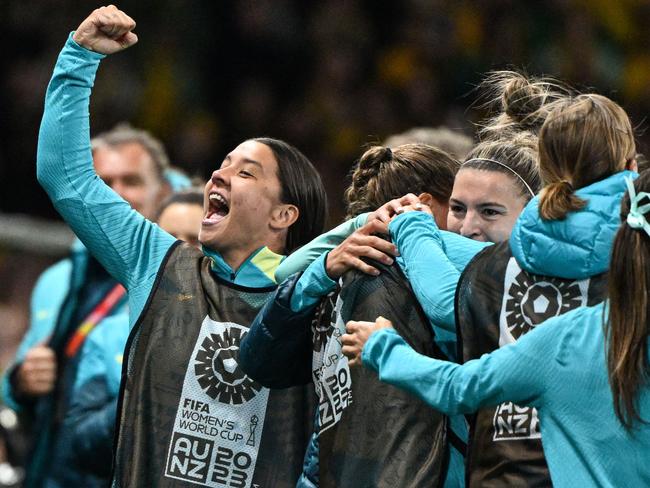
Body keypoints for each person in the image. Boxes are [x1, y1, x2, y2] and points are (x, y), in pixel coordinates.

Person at [37, 6, 327, 487]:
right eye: (223, 163)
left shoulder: (320, 301)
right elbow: (64, 176)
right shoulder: (156, 259)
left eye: (245, 172)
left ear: (283, 215)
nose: (219, 173)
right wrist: (80, 57)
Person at [347, 91, 638, 487]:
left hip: (506, 468)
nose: (468, 226)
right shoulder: (636, 255)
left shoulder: (514, 270)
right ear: (631, 165)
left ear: (545, 178)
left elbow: (447, 317)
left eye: (489, 211)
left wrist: (406, 225)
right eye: (459, 209)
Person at [241, 143, 469, 488]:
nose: (466, 225)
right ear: (422, 204)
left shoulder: (329, 279)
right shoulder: (424, 275)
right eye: (458, 208)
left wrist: (350, 235)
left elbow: (281, 276)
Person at [1, 120, 184, 487]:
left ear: (163, 192)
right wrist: (21, 383)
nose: (114, 195)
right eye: (102, 183)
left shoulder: (178, 284)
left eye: (130, 181)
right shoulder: (59, 278)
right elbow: (13, 389)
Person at [65, 187, 206, 486]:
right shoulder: (110, 334)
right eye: (168, 239)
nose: (180, 251)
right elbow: (79, 445)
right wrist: (141, 390)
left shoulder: (238, 332)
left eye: (195, 241)